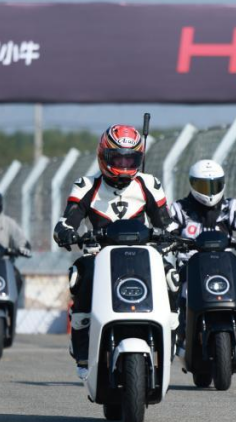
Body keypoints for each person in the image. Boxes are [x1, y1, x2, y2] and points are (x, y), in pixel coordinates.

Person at [53, 124, 178, 380]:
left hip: (142, 256)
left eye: (130, 159)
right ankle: (81, 348)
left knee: (171, 277)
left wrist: (169, 238)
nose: (123, 165)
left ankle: (170, 338)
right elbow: (68, 221)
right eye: (117, 158)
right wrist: (66, 232)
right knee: (80, 275)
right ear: (103, 156)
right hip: (99, 256)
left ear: (139, 158)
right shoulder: (86, 185)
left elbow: (167, 223)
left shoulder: (149, 184)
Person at [168, 159, 236, 356]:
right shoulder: (180, 208)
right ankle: (179, 332)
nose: (210, 192)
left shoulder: (231, 206)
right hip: (191, 263)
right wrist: (168, 240)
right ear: (192, 184)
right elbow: (168, 230)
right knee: (176, 286)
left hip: (224, 264)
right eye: (204, 186)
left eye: (215, 185)